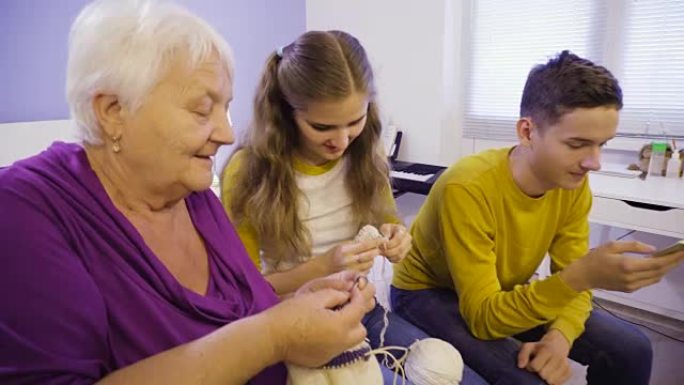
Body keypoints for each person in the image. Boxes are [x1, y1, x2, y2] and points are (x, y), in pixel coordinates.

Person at [0, 1, 377, 384]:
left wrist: (302, 306)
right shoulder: (24, 211)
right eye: (202, 111)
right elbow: (255, 336)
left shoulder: (195, 198)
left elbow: (243, 316)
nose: (227, 134)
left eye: (226, 109)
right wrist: (275, 335)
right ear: (113, 111)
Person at [391, 50, 684, 385]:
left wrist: (560, 337)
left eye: (602, 144)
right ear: (528, 132)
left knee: (633, 349)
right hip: (427, 292)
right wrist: (580, 276)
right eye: (577, 144)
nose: (594, 162)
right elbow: (484, 318)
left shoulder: (573, 185)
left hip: (497, 290)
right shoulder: (468, 187)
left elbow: (573, 281)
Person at [221, 30, 487, 385]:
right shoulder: (248, 172)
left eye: (355, 121)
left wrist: (397, 239)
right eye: (322, 127)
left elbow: (388, 221)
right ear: (286, 113)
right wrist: (322, 267)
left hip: (362, 307)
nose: (343, 140)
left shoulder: (364, 157)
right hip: (297, 319)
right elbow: (246, 295)